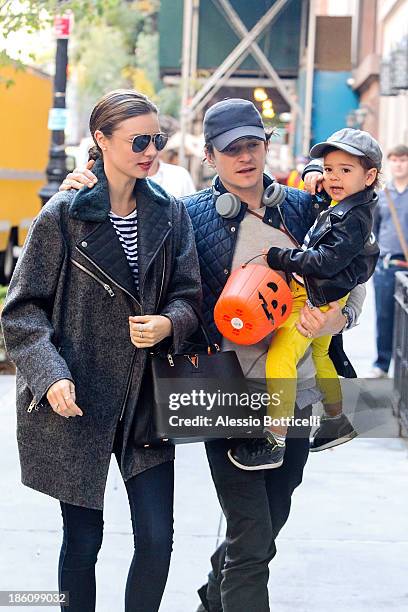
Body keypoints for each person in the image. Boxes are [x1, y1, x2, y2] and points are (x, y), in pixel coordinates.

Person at [60, 97, 366, 612]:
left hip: (299, 387)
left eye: (253, 145)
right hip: (222, 389)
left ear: (266, 145)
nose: (244, 157)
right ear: (209, 155)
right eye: (231, 149)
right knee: (251, 537)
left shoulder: (306, 206)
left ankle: (211, 598)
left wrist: (340, 318)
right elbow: (141, 256)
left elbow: (353, 269)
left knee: (270, 520)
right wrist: (86, 186)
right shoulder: (185, 216)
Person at [1, 89, 201, 612]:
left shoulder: (171, 214)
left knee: (157, 540)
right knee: (81, 543)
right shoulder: (65, 214)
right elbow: (22, 309)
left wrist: (168, 322)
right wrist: (50, 375)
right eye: (138, 139)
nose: (150, 150)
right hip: (79, 396)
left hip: (145, 401)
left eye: (156, 139)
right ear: (101, 140)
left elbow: (189, 296)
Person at [229, 128, 381, 470]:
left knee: (280, 359)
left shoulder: (353, 218)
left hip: (317, 298)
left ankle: (274, 440)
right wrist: (314, 174)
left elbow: (326, 261)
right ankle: (336, 418)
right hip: (328, 295)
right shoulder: (347, 204)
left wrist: (281, 257)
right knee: (321, 352)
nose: (334, 178)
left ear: (369, 176)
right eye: (329, 169)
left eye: (345, 170)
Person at [370, 144, 408, 377]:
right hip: (386, 266)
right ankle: (382, 363)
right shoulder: (382, 196)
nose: (398, 164)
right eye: (394, 160)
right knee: (384, 315)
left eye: (403, 160)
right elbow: (374, 229)